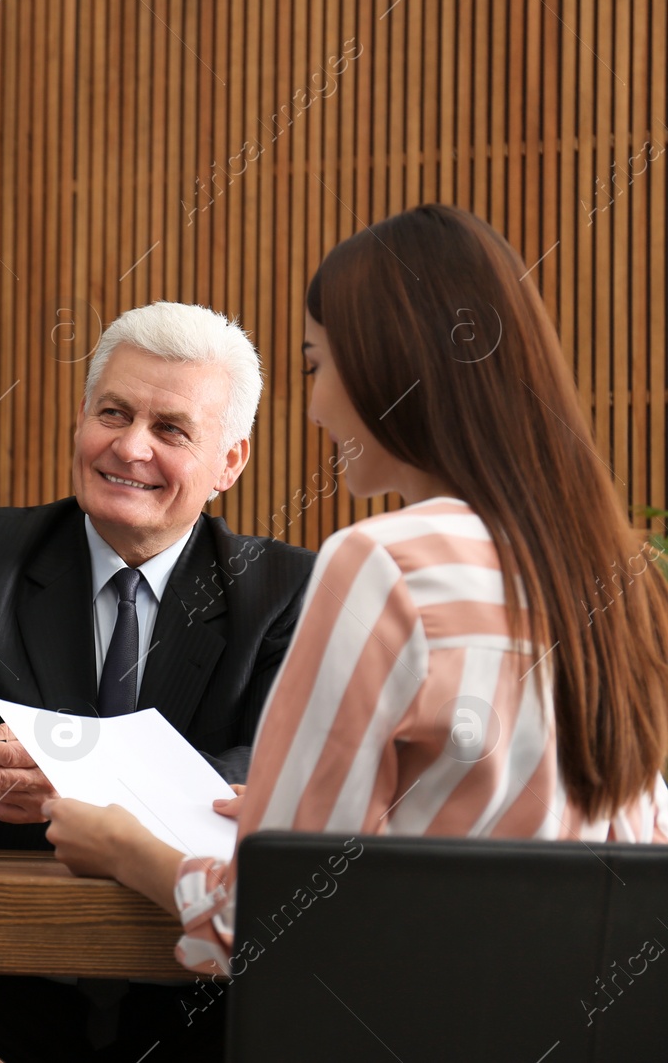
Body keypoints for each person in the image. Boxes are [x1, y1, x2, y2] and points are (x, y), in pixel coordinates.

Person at [44, 203, 668, 1056]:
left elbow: (265, 923)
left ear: (386, 368)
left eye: (315, 363)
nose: (313, 408)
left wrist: (126, 847)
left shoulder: (382, 564)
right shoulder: (621, 575)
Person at [0, 301, 315, 1059]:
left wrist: (79, 776)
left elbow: (267, 778)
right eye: (112, 412)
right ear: (81, 417)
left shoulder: (287, 592)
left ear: (230, 461)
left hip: (196, 992)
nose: (130, 446)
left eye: (170, 429)